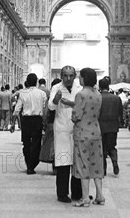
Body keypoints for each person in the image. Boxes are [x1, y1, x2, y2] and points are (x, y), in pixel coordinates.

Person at [48, 65, 82, 203]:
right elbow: (51, 106)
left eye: (71, 75)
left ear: (75, 76)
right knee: (63, 162)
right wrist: (56, 99)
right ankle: (62, 194)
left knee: (77, 162)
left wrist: (71, 103)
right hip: (62, 128)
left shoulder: (79, 89)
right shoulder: (56, 88)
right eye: (65, 76)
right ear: (61, 76)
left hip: (77, 128)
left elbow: (83, 105)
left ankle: (77, 193)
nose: (68, 78)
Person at [72, 67, 104, 207]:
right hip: (96, 133)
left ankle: (85, 197)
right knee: (96, 164)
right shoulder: (98, 94)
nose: (79, 79)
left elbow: (76, 116)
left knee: (83, 164)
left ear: (84, 78)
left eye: (80, 77)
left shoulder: (81, 94)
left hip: (83, 134)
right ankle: (100, 195)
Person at [13, 73, 47, 175]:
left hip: (26, 120)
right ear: (36, 82)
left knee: (26, 143)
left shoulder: (23, 93)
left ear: (27, 81)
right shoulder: (42, 94)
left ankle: (29, 164)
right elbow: (45, 108)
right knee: (36, 143)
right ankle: (32, 164)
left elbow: (17, 109)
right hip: (37, 120)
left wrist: (12, 123)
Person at [98, 77, 123, 176]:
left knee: (102, 148)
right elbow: (120, 112)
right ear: (108, 86)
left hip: (100, 126)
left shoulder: (98, 98)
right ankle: (115, 162)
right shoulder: (116, 98)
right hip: (113, 126)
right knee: (112, 146)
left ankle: (103, 169)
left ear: (100, 86)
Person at [39, 77, 61, 172]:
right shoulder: (65, 97)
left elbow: (46, 112)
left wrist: (44, 123)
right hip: (63, 124)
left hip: (52, 123)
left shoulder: (51, 98)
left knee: (52, 145)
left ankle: (55, 164)